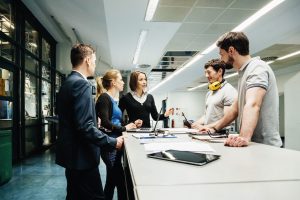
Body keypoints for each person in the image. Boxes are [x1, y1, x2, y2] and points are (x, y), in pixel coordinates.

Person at [56, 44, 124, 200]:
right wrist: (113, 142)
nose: (94, 64)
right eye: (93, 60)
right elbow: (85, 127)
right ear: (87, 60)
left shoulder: (67, 83)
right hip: (83, 158)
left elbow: (73, 120)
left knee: (74, 195)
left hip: (71, 157)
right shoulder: (82, 84)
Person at [206, 32, 282, 147]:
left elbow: (253, 104)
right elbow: (235, 109)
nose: (221, 59)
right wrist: (213, 128)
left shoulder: (257, 68)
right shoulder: (244, 72)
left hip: (265, 146)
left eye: (222, 54)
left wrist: (243, 136)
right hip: (254, 144)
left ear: (231, 51)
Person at [95, 70, 142, 200]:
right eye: (120, 79)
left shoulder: (112, 99)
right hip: (110, 146)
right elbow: (105, 122)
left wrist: (131, 124)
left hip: (116, 143)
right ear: (113, 82)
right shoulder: (104, 98)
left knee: (111, 181)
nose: (123, 82)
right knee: (121, 183)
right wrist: (124, 127)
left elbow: (115, 121)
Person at [191, 59, 237, 131]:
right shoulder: (210, 93)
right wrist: (195, 124)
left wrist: (207, 127)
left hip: (222, 134)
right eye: (205, 73)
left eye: (209, 72)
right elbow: (207, 116)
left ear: (220, 71)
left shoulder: (229, 91)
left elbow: (228, 119)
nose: (206, 75)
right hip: (208, 132)